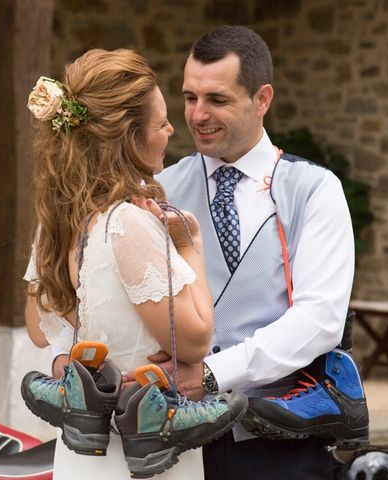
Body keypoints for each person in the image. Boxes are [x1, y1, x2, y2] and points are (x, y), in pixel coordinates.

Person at [22, 48, 243, 480]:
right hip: (146, 454)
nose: (171, 130)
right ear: (131, 136)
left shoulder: (57, 222)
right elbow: (195, 340)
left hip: (81, 456)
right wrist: (190, 245)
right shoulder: (128, 224)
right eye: (161, 123)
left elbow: (37, 328)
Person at [150, 26, 360, 479]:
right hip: (172, 440)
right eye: (190, 98)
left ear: (262, 98)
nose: (198, 115)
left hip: (276, 439)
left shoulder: (314, 190)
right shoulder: (160, 190)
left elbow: (320, 319)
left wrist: (210, 373)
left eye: (217, 100)